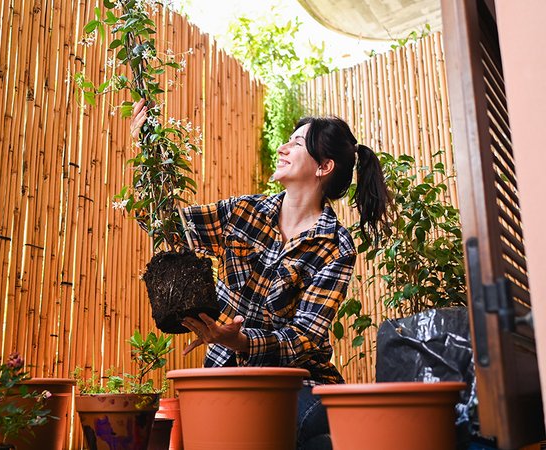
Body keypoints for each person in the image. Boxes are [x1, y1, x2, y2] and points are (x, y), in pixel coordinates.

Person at [130, 99, 390, 450]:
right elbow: (164, 224)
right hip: (226, 376)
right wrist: (146, 151)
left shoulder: (336, 246)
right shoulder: (243, 212)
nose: (283, 147)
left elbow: (305, 338)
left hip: (298, 383)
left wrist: (241, 340)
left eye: (297, 143)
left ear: (324, 166)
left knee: (319, 437)